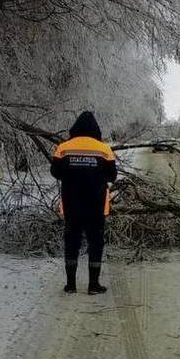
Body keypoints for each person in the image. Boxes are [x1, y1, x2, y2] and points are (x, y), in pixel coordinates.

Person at [51, 111, 116, 294]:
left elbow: (55, 171)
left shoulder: (63, 147)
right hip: (96, 205)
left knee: (72, 242)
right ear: (96, 129)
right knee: (96, 243)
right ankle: (93, 285)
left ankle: (70, 285)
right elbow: (112, 175)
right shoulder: (104, 149)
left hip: (72, 204)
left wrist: (71, 176)